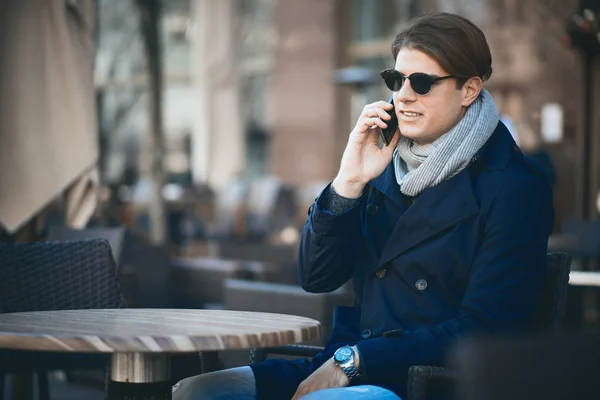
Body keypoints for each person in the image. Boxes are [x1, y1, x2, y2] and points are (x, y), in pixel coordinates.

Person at [173, 12, 554, 400]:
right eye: (396, 80)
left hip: (423, 381)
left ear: (469, 90)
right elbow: (316, 277)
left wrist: (355, 359)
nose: (403, 95)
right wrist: (348, 181)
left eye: (422, 83)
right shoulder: (384, 163)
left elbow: (486, 329)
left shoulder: (514, 187)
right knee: (200, 389)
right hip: (346, 360)